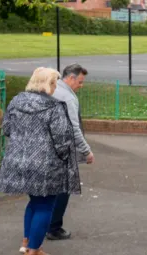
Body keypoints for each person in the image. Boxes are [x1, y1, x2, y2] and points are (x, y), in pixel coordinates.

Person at [0, 67, 81, 255]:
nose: (54, 87)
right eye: (53, 83)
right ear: (45, 83)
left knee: (34, 202)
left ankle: (27, 242)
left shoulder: (16, 101)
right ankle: (33, 252)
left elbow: (7, 129)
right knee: (45, 204)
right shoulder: (54, 107)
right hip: (46, 165)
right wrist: (64, 157)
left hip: (18, 161)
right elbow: (62, 141)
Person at [46, 63, 94, 241]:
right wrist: (86, 151)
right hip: (63, 150)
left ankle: (45, 225)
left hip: (48, 147)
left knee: (48, 190)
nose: (81, 86)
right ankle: (54, 227)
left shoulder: (51, 89)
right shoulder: (67, 97)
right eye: (80, 82)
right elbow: (74, 128)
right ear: (71, 78)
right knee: (63, 188)